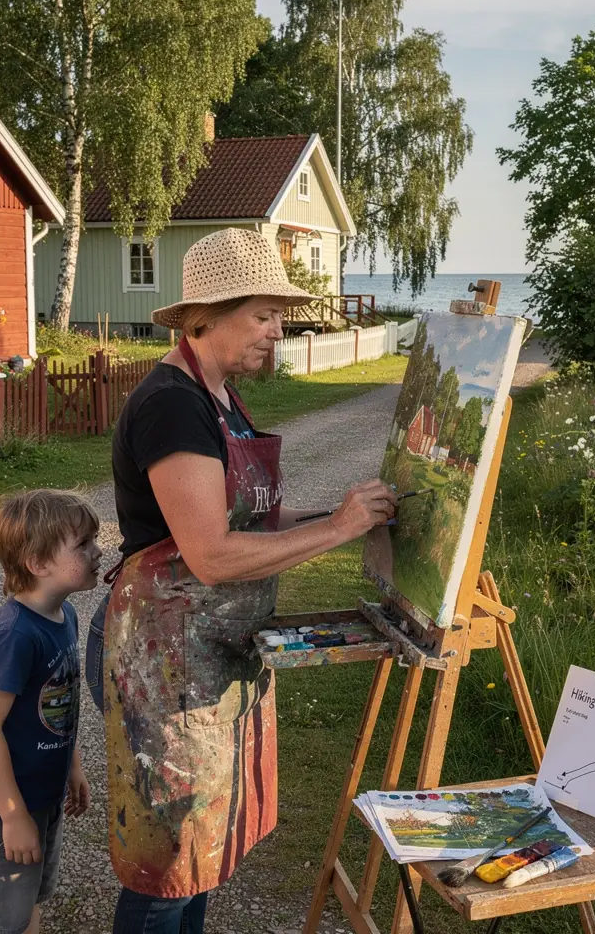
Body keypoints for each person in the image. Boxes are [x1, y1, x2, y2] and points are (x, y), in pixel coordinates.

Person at [88, 228, 396, 933]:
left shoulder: (219, 395)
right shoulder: (173, 403)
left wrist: (349, 514)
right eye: (263, 314)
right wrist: (336, 530)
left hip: (210, 650)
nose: (278, 330)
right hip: (163, 659)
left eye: (278, 316)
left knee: (200, 853)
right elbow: (211, 556)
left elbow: (248, 523)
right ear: (205, 317)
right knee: (166, 866)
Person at [0, 489, 102, 934]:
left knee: (26, 900)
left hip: (42, 793)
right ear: (38, 563)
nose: (99, 551)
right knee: (3, 919)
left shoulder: (66, 615)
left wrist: (72, 767)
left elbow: (61, 704)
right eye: (84, 544)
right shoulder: (15, 635)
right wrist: (14, 815)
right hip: (6, 802)